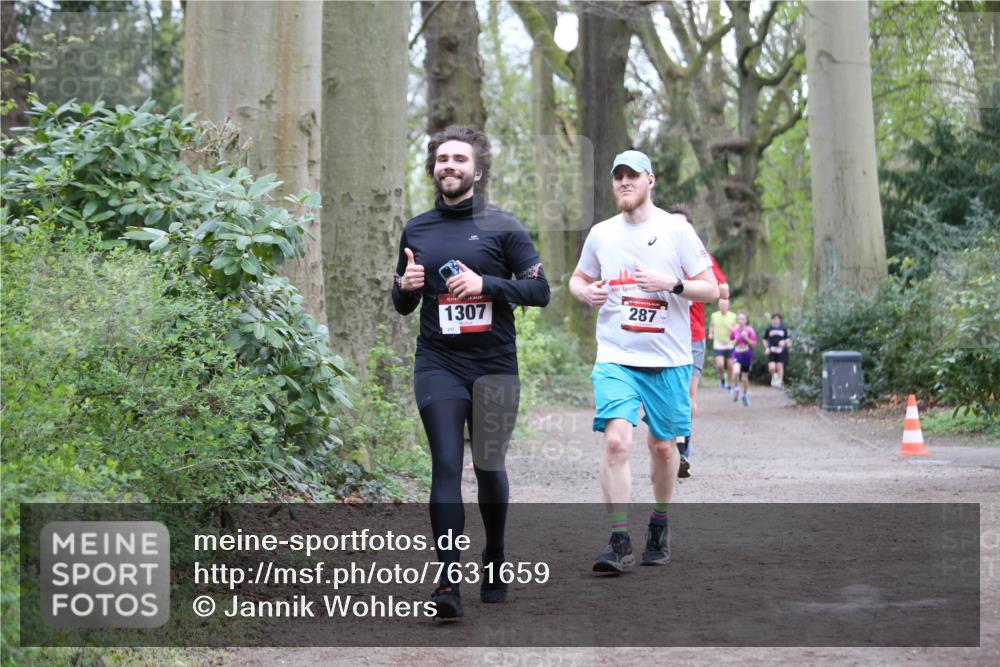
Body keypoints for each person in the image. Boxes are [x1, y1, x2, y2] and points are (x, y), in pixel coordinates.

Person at [392, 125, 550, 618]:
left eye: (459, 159)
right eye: (442, 159)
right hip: (439, 363)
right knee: (444, 465)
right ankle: (447, 583)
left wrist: (489, 283)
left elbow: (540, 292)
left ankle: (496, 556)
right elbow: (401, 302)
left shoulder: (505, 226)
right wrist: (408, 286)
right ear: (433, 169)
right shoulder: (417, 229)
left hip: (494, 365)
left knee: (488, 467)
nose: (449, 166)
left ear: (477, 170)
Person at [569, 150, 718, 573]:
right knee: (616, 442)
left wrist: (671, 283)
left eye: (632, 176)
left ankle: (659, 522)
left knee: (663, 447)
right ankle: (619, 539)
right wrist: (586, 293)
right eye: (618, 177)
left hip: (669, 359)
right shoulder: (601, 234)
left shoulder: (676, 231)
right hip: (616, 356)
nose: (624, 183)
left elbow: (711, 289)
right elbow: (577, 279)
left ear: (650, 180)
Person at [664, 203, 729, 480]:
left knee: (688, 396)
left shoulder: (701, 257)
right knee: (669, 397)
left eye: (683, 226)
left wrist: (701, 287)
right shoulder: (660, 256)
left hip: (693, 336)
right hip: (664, 336)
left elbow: (723, 289)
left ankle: (683, 453)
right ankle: (669, 448)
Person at [709, 297, 738, 393]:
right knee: (720, 364)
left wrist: (733, 330)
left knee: (730, 366)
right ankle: (722, 378)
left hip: (730, 343)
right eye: (721, 305)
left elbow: (737, 329)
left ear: (728, 306)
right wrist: (711, 333)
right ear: (719, 306)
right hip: (718, 343)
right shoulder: (714, 315)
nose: (723, 307)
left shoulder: (733, 316)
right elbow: (712, 325)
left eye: (725, 305)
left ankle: (729, 384)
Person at [729, 311, 757, 407]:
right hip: (737, 354)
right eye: (739, 318)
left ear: (746, 320)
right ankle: (736, 389)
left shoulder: (750, 330)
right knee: (736, 372)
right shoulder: (734, 330)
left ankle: (744, 395)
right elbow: (731, 341)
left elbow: (754, 343)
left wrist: (746, 338)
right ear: (737, 319)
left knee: (744, 378)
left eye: (743, 319)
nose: (741, 320)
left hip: (747, 355)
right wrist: (735, 341)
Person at [764, 313, 792, 388]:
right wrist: (766, 348)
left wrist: (784, 342)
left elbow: (788, 340)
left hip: (781, 350)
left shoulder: (783, 328)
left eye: (777, 319)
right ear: (772, 320)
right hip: (772, 350)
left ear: (780, 320)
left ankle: (780, 383)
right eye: (774, 319)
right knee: (772, 367)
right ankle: (775, 377)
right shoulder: (769, 328)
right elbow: (765, 339)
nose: (776, 320)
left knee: (780, 366)